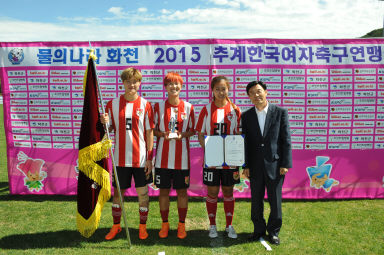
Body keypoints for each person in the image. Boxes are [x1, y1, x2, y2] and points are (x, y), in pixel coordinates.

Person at [100, 67, 154, 240]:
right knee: (118, 195)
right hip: (120, 159)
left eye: (135, 81)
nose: (132, 84)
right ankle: (116, 227)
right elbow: (107, 130)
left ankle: (142, 227)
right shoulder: (112, 104)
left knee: (143, 194)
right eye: (128, 81)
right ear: (123, 83)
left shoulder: (145, 105)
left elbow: (149, 133)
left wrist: (150, 159)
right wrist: (105, 122)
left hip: (141, 159)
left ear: (140, 83)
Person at [241, 80, 292, 245]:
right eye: (252, 93)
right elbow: (246, 142)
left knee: (275, 201)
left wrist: (285, 163)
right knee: (256, 200)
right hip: (254, 166)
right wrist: (246, 166)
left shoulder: (280, 112)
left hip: (275, 165)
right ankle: (258, 230)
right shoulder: (247, 116)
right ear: (249, 97)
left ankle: (274, 232)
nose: (256, 95)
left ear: (266, 92)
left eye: (259, 91)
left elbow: (286, 140)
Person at [195, 76, 241, 239]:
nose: (221, 92)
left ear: (228, 89)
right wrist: (208, 150)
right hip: (212, 161)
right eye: (217, 89)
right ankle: (212, 225)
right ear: (212, 90)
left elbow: (240, 134)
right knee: (212, 192)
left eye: (224, 89)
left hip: (231, 161)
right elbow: (200, 133)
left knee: (228, 191)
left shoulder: (235, 110)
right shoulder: (206, 109)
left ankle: (229, 225)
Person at [153, 72, 195, 239]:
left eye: (176, 84)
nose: (173, 87)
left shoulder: (189, 108)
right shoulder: (158, 107)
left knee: (182, 193)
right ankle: (165, 224)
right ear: (165, 87)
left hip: (182, 161)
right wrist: (161, 134)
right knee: (163, 192)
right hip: (162, 161)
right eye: (170, 84)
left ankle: (181, 225)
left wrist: (182, 135)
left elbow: (192, 130)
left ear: (181, 87)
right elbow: (152, 130)